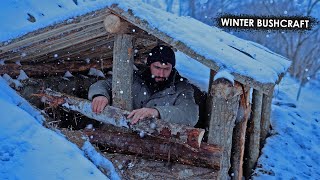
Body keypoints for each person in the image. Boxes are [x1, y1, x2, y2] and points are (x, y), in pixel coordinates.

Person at [88, 45, 199, 126]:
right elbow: (104, 84)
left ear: (172, 68)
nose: (161, 74)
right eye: (157, 67)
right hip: (118, 136)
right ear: (149, 65)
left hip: (156, 145)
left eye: (166, 69)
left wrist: (156, 112)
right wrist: (100, 95)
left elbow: (190, 115)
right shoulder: (134, 78)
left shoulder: (181, 88)